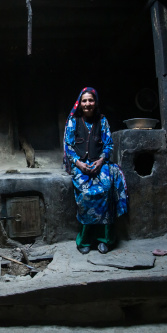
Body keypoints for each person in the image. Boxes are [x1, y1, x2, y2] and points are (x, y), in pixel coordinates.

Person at [63, 87, 128, 254]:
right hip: (80, 166)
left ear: (95, 102)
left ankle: (105, 239)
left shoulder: (102, 121)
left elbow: (109, 145)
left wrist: (101, 161)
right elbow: (68, 146)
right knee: (86, 195)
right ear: (80, 103)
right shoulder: (73, 121)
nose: (87, 104)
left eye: (90, 100)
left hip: (99, 164)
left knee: (106, 188)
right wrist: (78, 164)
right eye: (84, 100)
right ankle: (85, 240)